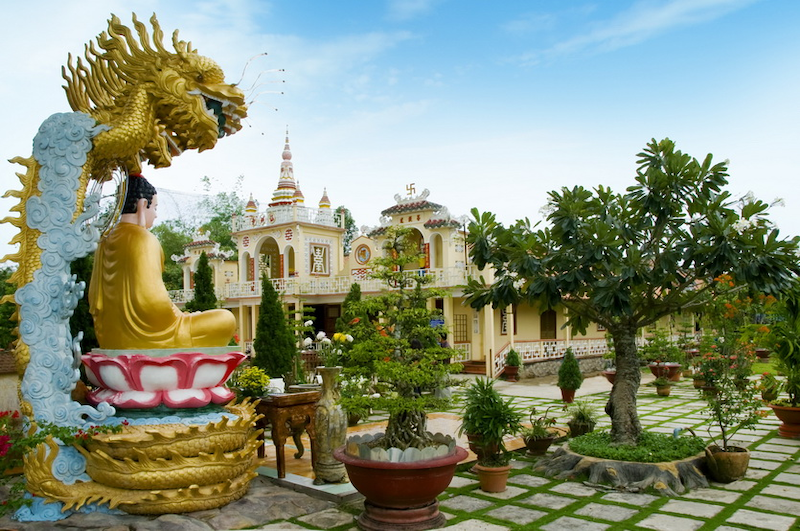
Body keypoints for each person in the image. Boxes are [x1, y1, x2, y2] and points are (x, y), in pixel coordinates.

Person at [88, 174, 236, 349]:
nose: (156, 215)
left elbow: (94, 299)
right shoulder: (143, 239)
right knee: (226, 319)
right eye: (155, 208)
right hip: (153, 337)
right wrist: (182, 318)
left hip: (109, 337)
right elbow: (153, 302)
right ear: (143, 205)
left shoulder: (104, 241)